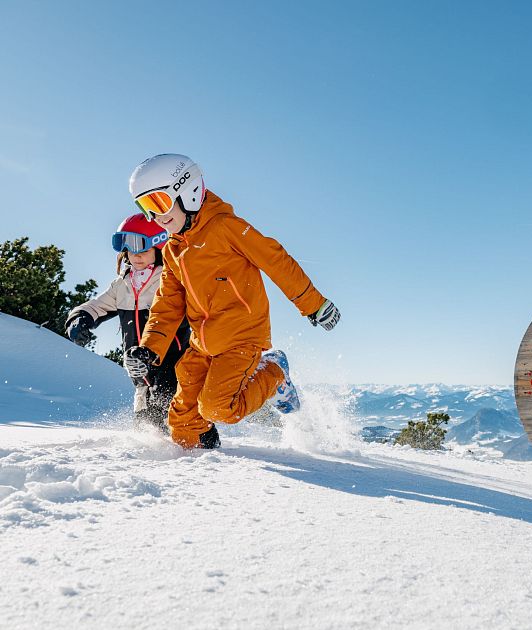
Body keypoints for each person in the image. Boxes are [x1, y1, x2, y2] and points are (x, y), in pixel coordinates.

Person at [122, 153, 340, 450]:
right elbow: (167, 304)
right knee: (182, 425)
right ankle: (202, 464)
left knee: (217, 408)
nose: (156, 217)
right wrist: (149, 349)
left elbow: (275, 260)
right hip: (203, 342)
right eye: (146, 208)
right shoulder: (173, 250)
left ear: (187, 191)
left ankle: (274, 371)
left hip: (242, 337)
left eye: (158, 203)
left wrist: (313, 304)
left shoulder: (226, 227)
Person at [64, 214, 190, 431]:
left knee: (172, 413)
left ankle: (201, 449)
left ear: (159, 249)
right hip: (138, 369)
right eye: (131, 251)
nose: (136, 256)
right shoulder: (122, 285)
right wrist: (79, 319)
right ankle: (154, 461)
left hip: (171, 362)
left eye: (143, 250)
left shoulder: (169, 280)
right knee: (144, 425)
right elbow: (96, 306)